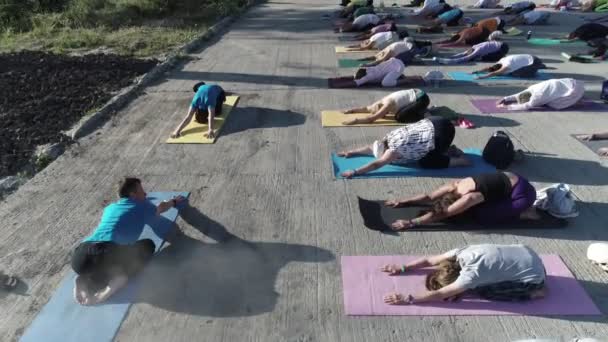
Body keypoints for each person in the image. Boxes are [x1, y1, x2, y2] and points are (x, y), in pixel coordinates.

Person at [71, 178, 186, 305]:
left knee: (104, 264)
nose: (146, 194)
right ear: (133, 195)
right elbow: (161, 208)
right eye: (142, 191)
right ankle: (102, 295)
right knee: (147, 246)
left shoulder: (110, 208)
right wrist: (174, 201)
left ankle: (84, 279)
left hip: (78, 257)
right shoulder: (142, 205)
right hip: (105, 252)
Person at [381, 244, 546, 305]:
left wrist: (408, 299)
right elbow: (429, 260)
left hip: (535, 277)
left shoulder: (470, 278)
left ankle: (535, 293)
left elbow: (438, 294)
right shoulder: (461, 253)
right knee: (488, 278)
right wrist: (402, 267)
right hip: (527, 251)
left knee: (485, 292)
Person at [384, 171, 541, 230]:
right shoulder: (455, 185)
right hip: (512, 177)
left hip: (523, 195)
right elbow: (430, 196)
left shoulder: (470, 197)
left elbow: (443, 214)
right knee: (481, 206)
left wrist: (411, 222)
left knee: (483, 216)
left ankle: (524, 213)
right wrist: (403, 200)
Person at [338, 116, 471, 178]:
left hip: (443, 132)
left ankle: (460, 161)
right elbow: (369, 147)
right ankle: (447, 149)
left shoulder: (392, 151)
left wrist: (355, 172)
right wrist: (351, 152)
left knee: (426, 162)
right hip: (435, 120)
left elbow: (376, 165)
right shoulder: (387, 138)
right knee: (427, 148)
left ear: (385, 151)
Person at [340, 89, 431, 125]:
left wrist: (355, 121)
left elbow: (372, 119)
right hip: (416, 92)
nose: (383, 116)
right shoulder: (380, 102)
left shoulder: (387, 104)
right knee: (401, 111)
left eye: (382, 113)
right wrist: (351, 110)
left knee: (400, 117)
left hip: (422, 99)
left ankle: (424, 113)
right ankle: (418, 109)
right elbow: (366, 108)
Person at [497, 78, 585, 111]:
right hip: (573, 82)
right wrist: (506, 98)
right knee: (550, 96)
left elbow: (526, 106)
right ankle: (573, 96)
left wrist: (506, 107)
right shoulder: (532, 89)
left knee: (554, 105)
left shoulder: (537, 97)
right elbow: (518, 95)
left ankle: (576, 99)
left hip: (575, 90)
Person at [433, 35, 508, 64]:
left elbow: (465, 58)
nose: (467, 52)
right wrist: (448, 58)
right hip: (500, 44)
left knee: (485, 57)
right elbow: (463, 54)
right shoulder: (474, 47)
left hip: (502, 48)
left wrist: (449, 61)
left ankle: (501, 56)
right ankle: (501, 56)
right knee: (476, 57)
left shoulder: (477, 50)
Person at [360, 38, 433, 66]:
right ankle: (424, 44)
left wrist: (367, 65)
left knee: (395, 61)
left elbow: (381, 61)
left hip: (411, 49)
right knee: (407, 40)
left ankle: (424, 49)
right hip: (408, 45)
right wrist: (363, 59)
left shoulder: (389, 51)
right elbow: (375, 56)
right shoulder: (384, 51)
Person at [471, 54, 546, 79]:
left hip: (534, 61)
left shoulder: (507, 66)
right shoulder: (501, 61)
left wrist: (482, 77)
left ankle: (538, 66)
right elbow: (490, 68)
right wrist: (478, 71)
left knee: (517, 74)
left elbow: (495, 73)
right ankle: (540, 65)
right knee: (513, 71)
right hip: (531, 57)